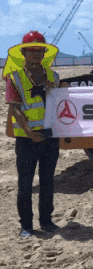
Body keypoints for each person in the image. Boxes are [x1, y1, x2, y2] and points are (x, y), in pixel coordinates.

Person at [3, 31, 62, 237]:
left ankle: (47, 221)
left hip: (50, 137)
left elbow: (60, 104)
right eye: (31, 50)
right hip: (27, 140)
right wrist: (30, 133)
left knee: (48, 182)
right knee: (25, 185)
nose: (36, 54)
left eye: (39, 50)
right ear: (24, 53)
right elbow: (15, 108)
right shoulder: (15, 78)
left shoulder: (54, 77)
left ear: (44, 53)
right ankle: (26, 226)